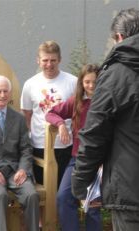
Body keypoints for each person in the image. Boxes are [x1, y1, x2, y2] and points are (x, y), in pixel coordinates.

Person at [72, 8, 139, 231]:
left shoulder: (116, 74)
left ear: (119, 37)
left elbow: (95, 133)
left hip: (131, 190)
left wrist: (81, 182)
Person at [0, 75, 39, 231]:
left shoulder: (19, 118)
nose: (2, 95)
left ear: (10, 93)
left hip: (15, 170)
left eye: (5, 91)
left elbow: (25, 148)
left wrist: (23, 169)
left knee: (31, 195)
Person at [45, 64, 101, 231]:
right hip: (77, 159)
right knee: (63, 197)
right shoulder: (77, 102)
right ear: (81, 83)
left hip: (99, 163)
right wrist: (61, 124)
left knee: (92, 203)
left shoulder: (106, 102)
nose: (91, 86)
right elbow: (51, 113)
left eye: (95, 82)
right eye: (87, 82)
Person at [21, 40, 77, 187]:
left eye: (53, 60)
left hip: (66, 146)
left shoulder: (72, 82)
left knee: (63, 192)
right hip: (39, 145)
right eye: (45, 60)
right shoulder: (30, 84)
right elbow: (27, 114)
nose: (49, 64)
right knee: (43, 192)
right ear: (38, 61)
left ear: (59, 60)